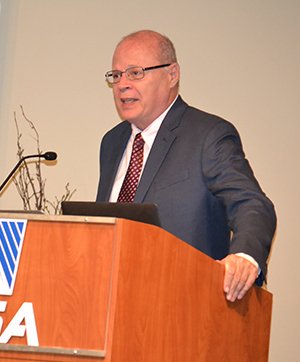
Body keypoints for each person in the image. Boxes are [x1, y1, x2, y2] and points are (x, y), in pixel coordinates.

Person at [96, 30, 276, 303]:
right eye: (116, 75)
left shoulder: (207, 135)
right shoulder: (112, 142)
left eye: (135, 73)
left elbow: (252, 204)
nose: (122, 84)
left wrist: (244, 257)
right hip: (112, 301)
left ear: (172, 75)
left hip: (184, 308)